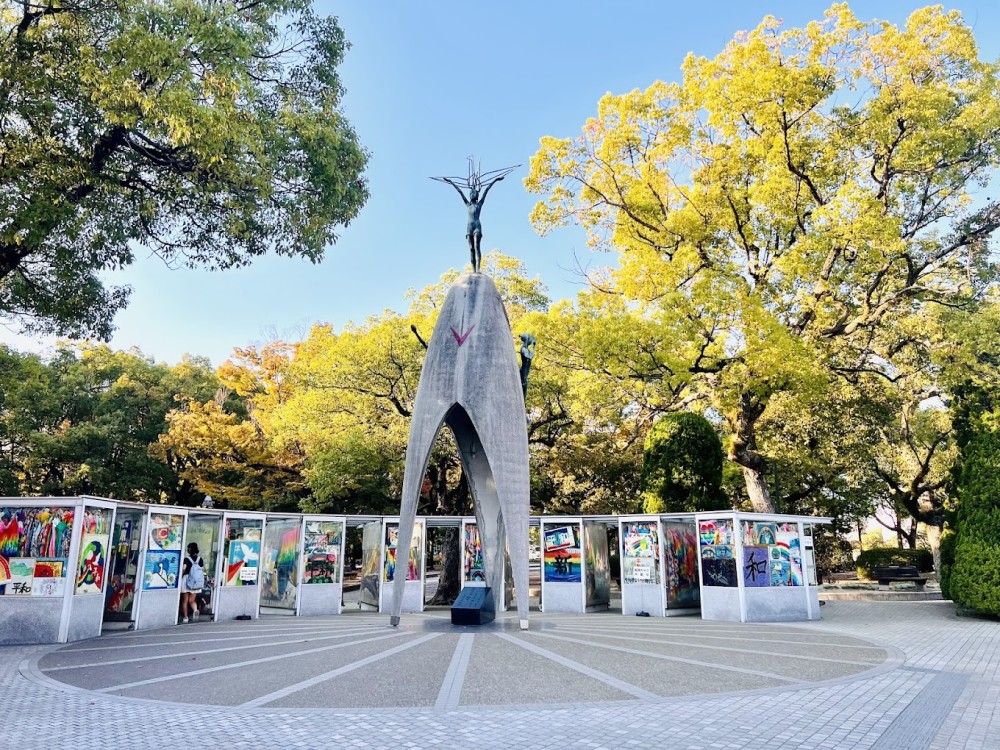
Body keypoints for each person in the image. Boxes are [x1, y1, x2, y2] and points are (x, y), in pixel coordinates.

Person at [181, 543, 205, 623]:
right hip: (196, 581)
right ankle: (195, 610)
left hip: (187, 579)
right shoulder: (200, 559)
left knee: (185, 600)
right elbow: (201, 570)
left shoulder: (186, 559)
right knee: (192, 600)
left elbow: (184, 569)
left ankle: (185, 618)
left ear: (190, 549)